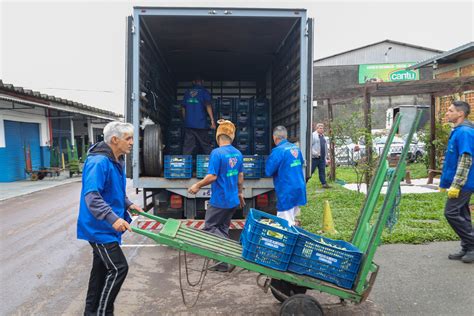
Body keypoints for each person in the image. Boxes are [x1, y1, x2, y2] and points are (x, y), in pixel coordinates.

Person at [77, 121, 144, 315]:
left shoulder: (117, 160)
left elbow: (114, 191)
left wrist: (128, 204)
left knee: (100, 272)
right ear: (115, 140)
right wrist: (113, 218)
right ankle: (103, 312)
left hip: (107, 227)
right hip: (98, 228)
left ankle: (91, 312)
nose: (132, 142)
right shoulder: (99, 162)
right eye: (128, 138)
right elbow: (92, 196)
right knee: (118, 268)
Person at [188, 119, 245, 271]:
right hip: (232, 199)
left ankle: (229, 254)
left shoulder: (217, 153)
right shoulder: (238, 154)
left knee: (210, 228)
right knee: (222, 229)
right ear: (231, 137)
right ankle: (222, 264)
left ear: (218, 136)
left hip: (220, 200)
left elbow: (212, 176)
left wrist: (197, 185)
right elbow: (240, 177)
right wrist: (240, 193)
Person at [439, 100, 474, 264]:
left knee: (451, 212)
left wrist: (456, 185)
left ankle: (472, 245)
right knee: (462, 213)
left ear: (460, 113)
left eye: (451, 111)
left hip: (465, 183)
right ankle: (468, 247)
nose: (447, 113)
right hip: (462, 182)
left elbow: (466, 160)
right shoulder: (458, 131)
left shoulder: (465, 132)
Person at [265, 126, 307, 226]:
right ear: (286, 136)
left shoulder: (278, 151)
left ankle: (288, 240)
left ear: (274, 138)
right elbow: (300, 163)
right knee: (291, 219)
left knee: (284, 224)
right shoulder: (295, 149)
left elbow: (268, 171)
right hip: (299, 188)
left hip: (287, 191)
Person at [182, 75, 216, 155]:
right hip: (200, 124)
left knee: (188, 147)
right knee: (206, 145)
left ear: (193, 82)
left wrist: (185, 120)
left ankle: (185, 165)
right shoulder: (204, 92)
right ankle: (211, 164)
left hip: (189, 124)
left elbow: (183, 108)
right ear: (202, 82)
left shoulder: (187, 92)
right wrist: (212, 120)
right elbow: (208, 106)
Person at [311, 123, 330, 188]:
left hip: (322, 158)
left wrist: (327, 157)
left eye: (322, 128)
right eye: (320, 128)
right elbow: (309, 147)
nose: (322, 129)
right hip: (314, 158)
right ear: (317, 129)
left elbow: (325, 147)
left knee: (322, 171)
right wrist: (315, 153)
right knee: (310, 171)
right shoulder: (313, 135)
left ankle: (324, 183)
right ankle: (304, 182)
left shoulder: (323, 136)